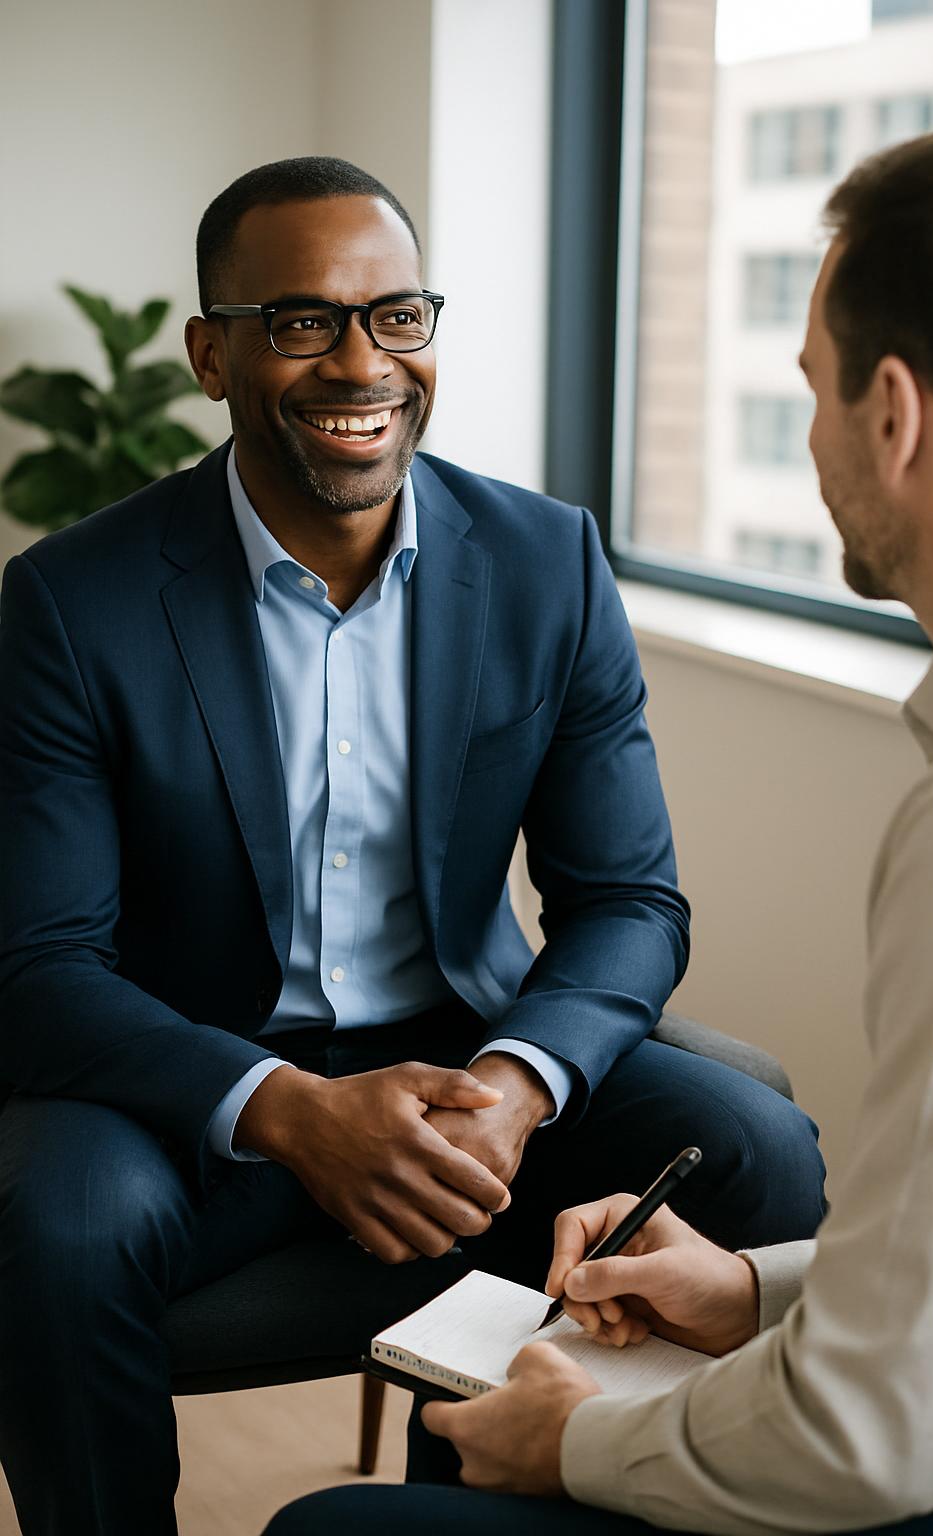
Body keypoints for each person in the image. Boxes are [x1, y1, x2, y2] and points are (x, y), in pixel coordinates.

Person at [0, 157, 826, 1535]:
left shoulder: (544, 562)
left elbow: (626, 900)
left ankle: (492, 1506)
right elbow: (37, 966)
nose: (362, 364)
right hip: (189, 1079)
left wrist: (511, 1086)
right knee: (55, 1233)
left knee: (751, 1149)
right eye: (303, 321)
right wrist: (292, 1111)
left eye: (398, 316)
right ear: (212, 353)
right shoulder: (72, 604)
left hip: (459, 1049)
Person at [262, 120, 933, 1536]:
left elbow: (882, 1427)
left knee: (329, 1529)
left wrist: (587, 1442)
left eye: (808, 392)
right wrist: (751, 1290)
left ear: (896, 415)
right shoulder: (81, 599)